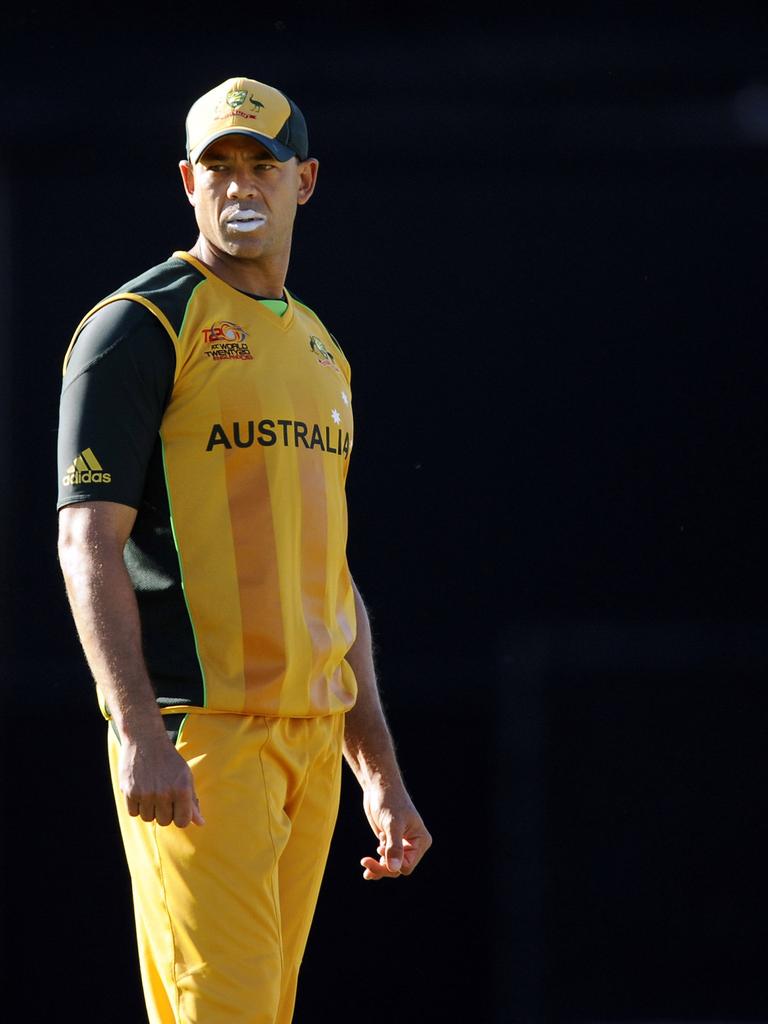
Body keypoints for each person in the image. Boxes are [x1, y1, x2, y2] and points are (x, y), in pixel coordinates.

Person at [56, 75, 431, 1024]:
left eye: (262, 163)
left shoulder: (321, 349)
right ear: (187, 181)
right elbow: (83, 537)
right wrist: (139, 729)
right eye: (218, 167)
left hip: (311, 741)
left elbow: (331, 572)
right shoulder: (136, 328)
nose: (241, 184)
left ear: (305, 180)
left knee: (260, 1009)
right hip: (204, 737)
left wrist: (377, 769)